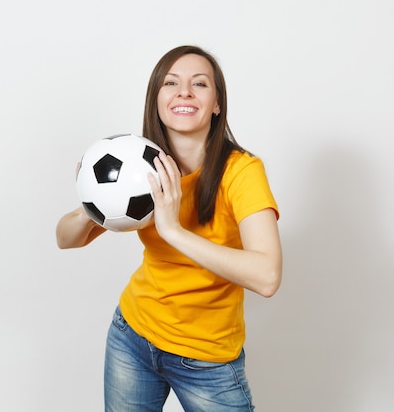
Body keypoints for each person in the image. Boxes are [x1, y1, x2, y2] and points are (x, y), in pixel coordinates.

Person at [56, 45, 282, 412]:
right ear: (156, 99)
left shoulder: (241, 172)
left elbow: (268, 277)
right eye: (171, 83)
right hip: (134, 336)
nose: (185, 92)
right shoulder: (138, 164)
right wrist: (92, 202)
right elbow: (64, 239)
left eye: (200, 83)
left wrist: (174, 230)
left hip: (207, 359)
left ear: (217, 104)